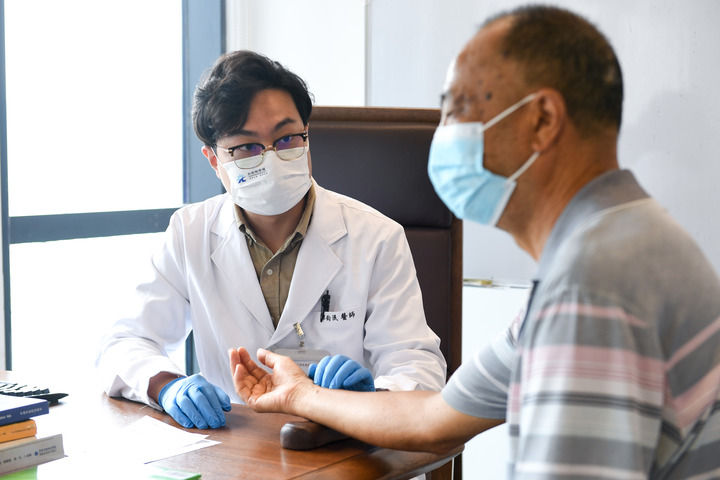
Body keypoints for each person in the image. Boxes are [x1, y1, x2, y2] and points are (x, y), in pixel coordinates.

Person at [229, 5, 720, 478]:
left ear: (543, 119)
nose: (443, 134)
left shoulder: (592, 282)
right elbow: (437, 418)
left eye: (458, 109)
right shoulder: (619, 243)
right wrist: (301, 395)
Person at [96, 51, 446, 430]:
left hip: (344, 441)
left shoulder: (376, 237)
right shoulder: (189, 232)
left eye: (287, 139)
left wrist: (371, 397)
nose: (271, 158)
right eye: (246, 147)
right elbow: (124, 343)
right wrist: (168, 386)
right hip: (233, 446)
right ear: (214, 161)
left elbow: (417, 367)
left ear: (307, 137)